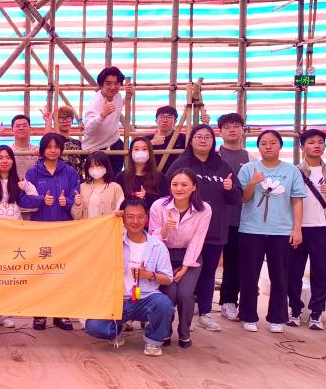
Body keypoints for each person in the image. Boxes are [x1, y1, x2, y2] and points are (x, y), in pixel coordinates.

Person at [166, 124, 240, 331]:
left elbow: (236, 198)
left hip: (215, 231)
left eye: (207, 137)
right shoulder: (180, 164)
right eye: (198, 136)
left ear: (213, 141)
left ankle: (205, 313)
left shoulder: (223, 166)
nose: (203, 140)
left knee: (208, 273)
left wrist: (230, 189)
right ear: (191, 140)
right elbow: (168, 191)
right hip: (185, 233)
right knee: (182, 273)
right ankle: (179, 314)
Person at [84, 197, 174, 357]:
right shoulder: (114, 240)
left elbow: (168, 278)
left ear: (146, 218)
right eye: (130, 216)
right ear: (123, 218)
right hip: (117, 301)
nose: (135, 221)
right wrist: (112, 220)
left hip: (145, 299)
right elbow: (94, 241)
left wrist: (149, 275)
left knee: (164, 305)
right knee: (93, 326)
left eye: (140, 217)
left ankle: (153, 341)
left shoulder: (157, 246)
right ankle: (117, 329)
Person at [237, 130, 305, 333]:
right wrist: (252, 182)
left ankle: (277, 318)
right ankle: (248, 316)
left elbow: (297, 201)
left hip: (281, 231)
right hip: (251, 230)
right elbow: (243, 198)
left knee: (280, 276)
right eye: (263, 143)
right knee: (249, 275)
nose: (268, 146)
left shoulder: (291, 170)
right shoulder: (248, 168)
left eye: (273, 142)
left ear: (280, 146)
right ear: (258, 147)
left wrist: (297, 229)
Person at [20, 133, 80, 330]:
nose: (53, 150)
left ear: (61, 149)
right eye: (49, 147)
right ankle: (39, 314)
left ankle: (62, 314)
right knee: (41, 273)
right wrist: (40, 200)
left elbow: (77, 197)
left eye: (56, 147)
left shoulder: (70, 173)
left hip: (64, 230)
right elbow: (22, 199)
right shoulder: (32, 173)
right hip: (41, 229)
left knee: (63, 272)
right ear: (42, 149)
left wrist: (67, 202)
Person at [288, 129, 326, 330]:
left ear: (324, 146)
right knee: (294, 272)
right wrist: (292, 228)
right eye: (311, 142)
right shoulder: (294, 171)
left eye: (320, 142)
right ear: (302, 147)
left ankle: (316, 314)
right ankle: (295, 311)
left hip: (323, 230)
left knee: (321, 273)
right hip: (298, 229)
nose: (316, 145)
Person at [147, 168, 211, 348]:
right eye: (175, 184)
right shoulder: (158, 206)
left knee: (185, 294)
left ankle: (184, 332)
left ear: (194, 187)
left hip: (189, 256)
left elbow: (197, 240)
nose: (179, 188)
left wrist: (185, 267)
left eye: (184, 184)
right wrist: (165, 229)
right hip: (163, 255)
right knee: (169, 293)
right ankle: (164, 332)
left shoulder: (204, 209)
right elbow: (152, 239)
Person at [0, 145, 37, 329]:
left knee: (9, 275)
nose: (4, 161)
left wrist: (26, 186)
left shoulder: (19, 180)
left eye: (8, 157)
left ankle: (6, 312)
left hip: (14, 234)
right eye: (0, 157)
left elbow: (35, 199)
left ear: (13, 160)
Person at [215, 112, 250, 322]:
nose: (232, 130)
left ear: (242, 130)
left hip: (239, 219)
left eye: (236, 125)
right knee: (205, 261)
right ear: (220, 131)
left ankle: (228, 301)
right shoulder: (214, 156)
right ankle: (197, 300)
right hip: (214, 219)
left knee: (235, 262)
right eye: (227, 126)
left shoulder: (250, 158)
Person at [82, 66, 134, 174]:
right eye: (108, 83)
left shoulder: (117, 95)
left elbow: (119, 105)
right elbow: (88, 130)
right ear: (101, 85)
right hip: (96, 148)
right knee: (99, 179)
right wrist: (102, 115)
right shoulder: (94, 104)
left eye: (117, 83)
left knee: (116, 177)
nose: (113, 87)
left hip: (114, 142)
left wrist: (128, 96)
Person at [115, 137, 168, 212]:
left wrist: (146, 197)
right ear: (131, 152)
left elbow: (165, 203)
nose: (140, 152)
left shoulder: (160, 178)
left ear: (150, 152)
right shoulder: (120, 177)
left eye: (144, 149)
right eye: (136, 149)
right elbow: (117, 203)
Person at [71, 151, 125, 220]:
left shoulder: (115, 187)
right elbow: (75, 217)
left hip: (108, 226)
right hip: (88, 226)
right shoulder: (82, 187)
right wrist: (77, 205)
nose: (95, 169)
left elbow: (123, 211)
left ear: (106, 166)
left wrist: (120, 213)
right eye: (91, 166)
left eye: (98, 165)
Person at [54, 105, 85, 177]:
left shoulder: (78, 143)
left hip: (77, 179)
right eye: (61, 119)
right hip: (59, 179)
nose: (65, 121)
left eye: (68, 118)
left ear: (72, 121)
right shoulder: (54, 142)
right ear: (56, 121)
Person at [9, 115, 38, 181]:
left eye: (24, 125)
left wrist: (48, 122)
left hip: (34, 186)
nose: (21, 128)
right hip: (12, 186)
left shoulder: (37, 150)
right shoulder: (7, 150)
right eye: (18, 126)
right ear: (12, 129)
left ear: (30, 128)